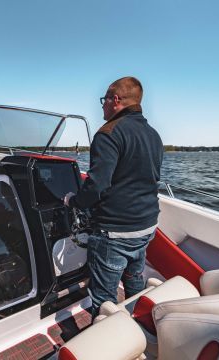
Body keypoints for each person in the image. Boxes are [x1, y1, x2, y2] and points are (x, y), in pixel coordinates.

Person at [64, 76, 163, 315]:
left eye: (104, 100)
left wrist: (73, 201)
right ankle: (137, 320)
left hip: (115, 233)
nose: (102, 105)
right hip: (146, 227)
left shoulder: (108, 133)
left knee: (104, 299)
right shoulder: (153, 134)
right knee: (134, 278)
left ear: (115, 100)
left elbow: (97, 185)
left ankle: (109, 340)